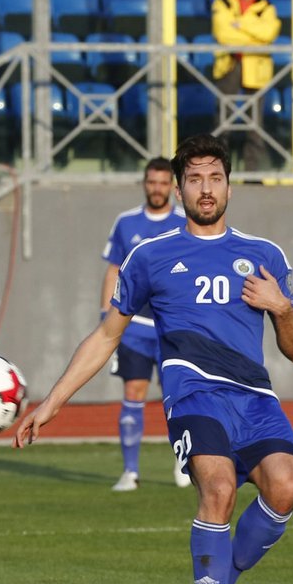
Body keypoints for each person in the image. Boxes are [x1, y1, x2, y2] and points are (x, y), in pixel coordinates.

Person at [15, 134, 293, 584]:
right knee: (217, 487)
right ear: (178, 189)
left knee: (286, 486)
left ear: (228, 186)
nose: (205, 188)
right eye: (194, 178)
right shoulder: (150, 256)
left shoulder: (264, 256)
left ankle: (226, 583)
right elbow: (106, 335)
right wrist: (52, 402)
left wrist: (282, 308)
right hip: (193, 397)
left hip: (255, 398)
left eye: (215, 177)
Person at [101, 157, 190, 492]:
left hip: (173, 326)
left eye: (164, 183)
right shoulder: (126, 223)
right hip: (135, 325)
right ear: (144, 183)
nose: (157, 189)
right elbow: (113, 269)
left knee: (178, 395)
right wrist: (105, 313)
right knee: (133, 391)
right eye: (152, 182)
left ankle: (184, 463)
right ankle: (130, 471)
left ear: (173, 187)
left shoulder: (185, 222)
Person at [211, 0, 281, 172]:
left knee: (255, 123)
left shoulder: (266, 6)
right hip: (229, 65)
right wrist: (254, 38)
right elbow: (223, 34)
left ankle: (252, 173)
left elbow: (269, 34)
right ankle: (219, 172)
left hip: (256, 69)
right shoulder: (223, 3)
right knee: (223, 121)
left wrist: (240, 24)